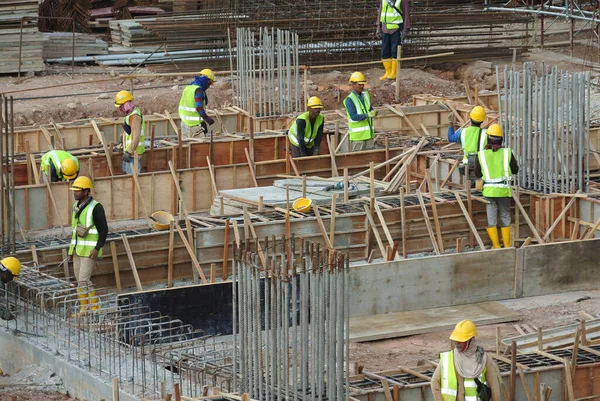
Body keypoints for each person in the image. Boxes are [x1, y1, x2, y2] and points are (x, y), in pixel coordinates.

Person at [431, 320, 502, 401]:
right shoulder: (447, 358)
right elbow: (434, 382)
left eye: (461, 341)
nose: (457, 343)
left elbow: (495, 389)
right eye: (456, 340)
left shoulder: (484, 359)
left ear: (471, 340)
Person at [67, 176, 108, 315]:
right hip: (77, 250)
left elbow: (104, 230)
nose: (75, 193)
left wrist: (97, 248)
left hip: (90, 251)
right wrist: (70, 252)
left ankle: (91, 308)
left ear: (86, 191)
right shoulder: (76, 207)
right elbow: (75, 231)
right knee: (81, 280)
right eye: (74, 190)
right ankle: (88, 307)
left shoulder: (96, 207)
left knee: (83, 280)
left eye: (77, 190)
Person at [474, 124, 519, 249]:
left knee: (491, 217)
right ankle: (507, 245)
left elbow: (477, 173)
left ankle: (496, 245)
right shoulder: (507, 153)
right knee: (505, 215)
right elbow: (515, 170)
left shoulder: (481, 155)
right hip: (504, 191)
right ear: (501, 139)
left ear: (488, 139)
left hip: (489, 191)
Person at [448, 106, 488, 182]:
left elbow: (451, 138)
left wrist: (450, 122)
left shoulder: (463, 132)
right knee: (480, 189)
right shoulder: (486, 133)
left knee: (469, 189)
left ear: (470, 118)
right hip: (481, 166)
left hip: (467, 166)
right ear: (483, 121)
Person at [376, 0, 411, 80]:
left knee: (395, 51)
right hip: (385, 28)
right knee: (385, 51)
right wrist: (378, 26)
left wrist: (406, 29)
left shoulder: (402, 0)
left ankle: (394, 73)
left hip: (396, 29)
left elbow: (406, 14)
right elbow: (380, 12)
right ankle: (388, 72)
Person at [344, 72, 377, 152]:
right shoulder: (349, 99)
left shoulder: (366, 95)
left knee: (370, 160)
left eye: (363, 84)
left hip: (369, 135)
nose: (362, 86)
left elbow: (369, 108)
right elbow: (354, 117)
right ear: (353, 84)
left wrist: (372, 112)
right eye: (360, 84)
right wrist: (367, 115)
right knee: (358, 161)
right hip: (358, 138)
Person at [178, 68, 215, 138]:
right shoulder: (198, 90)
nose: (209, 86)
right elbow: (199, 107)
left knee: (186, 147)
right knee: (199, 147)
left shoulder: (188, 88)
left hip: (184, 123)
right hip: (194, 126)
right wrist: (207, 119)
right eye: (209, 83)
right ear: (205, 80)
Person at [115, 90, 145, 175]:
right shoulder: (130, 115)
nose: (119, 109)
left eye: (120, 106)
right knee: (127, 179)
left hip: (133, 155)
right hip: (130, 154)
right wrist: (122, 138)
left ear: (126, 105)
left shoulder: (134, 116)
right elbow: (130, 131)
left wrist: (128, 151)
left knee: (132, 180)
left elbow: (136, 137)